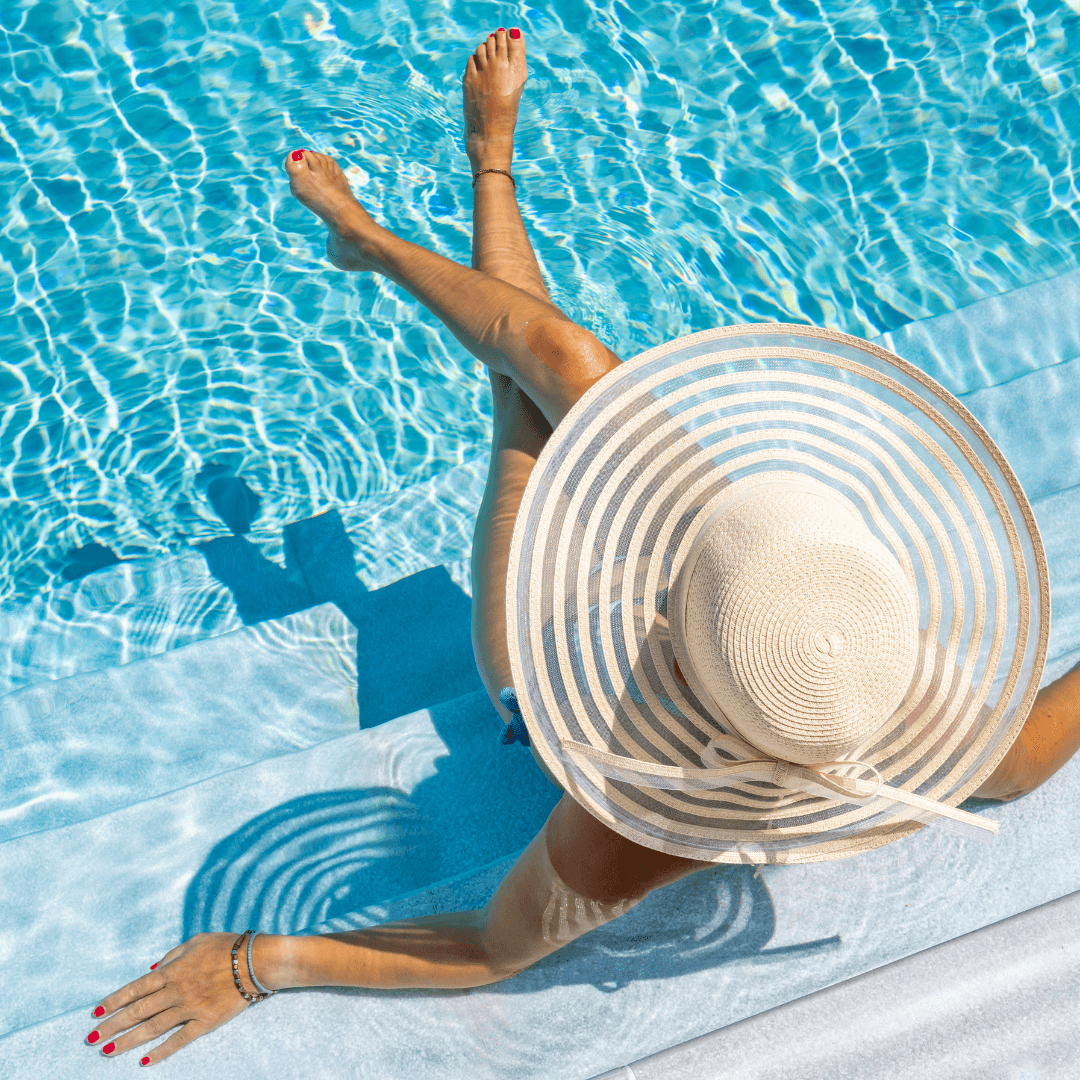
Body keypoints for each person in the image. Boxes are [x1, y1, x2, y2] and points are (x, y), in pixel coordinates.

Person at [85, 28, 1080, 1066]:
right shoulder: (860, 660)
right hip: (730, 573)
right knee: (558, 355)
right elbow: (1016, 767)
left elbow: (489, 947)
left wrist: (252, 963)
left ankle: (405, 218)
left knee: (521, 413)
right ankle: (428, 209)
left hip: (555, 648)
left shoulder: (644, 821)